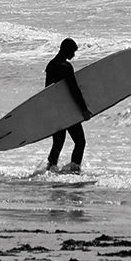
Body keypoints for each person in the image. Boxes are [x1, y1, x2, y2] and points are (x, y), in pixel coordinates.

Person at [45, 37, 92, 173]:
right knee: (80, 141)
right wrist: (83, 110)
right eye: (72, 51)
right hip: (67, 111)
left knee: (58, 142)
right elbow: (74, 89)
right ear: (66, 50)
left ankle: (50, 168)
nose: (73, 55)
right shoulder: (65, 67)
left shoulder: (51, 65)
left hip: (55, 110)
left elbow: (48, 91)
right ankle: (74, 169)